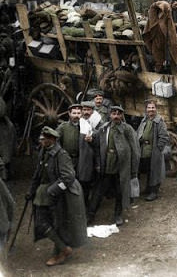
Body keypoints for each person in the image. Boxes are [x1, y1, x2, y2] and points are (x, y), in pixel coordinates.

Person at [26, 126, 88, 266]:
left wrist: (52, 191)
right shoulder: (44, 151)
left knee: (58, 224)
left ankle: (60, 252)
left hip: (61, 194)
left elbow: (68, 177)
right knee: (42, 222)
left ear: (52, 140)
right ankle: (64, 248)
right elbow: (38, 174)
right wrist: (31, 190)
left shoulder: (61, 154)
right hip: (44, 193)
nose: (42, 141)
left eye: (45, 139)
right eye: (42, 138)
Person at [88, 105, 140, 226]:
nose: (116, 116)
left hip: (120, 167)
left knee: (120, 192)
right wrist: (90, 139)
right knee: (98, 192)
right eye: (113, 114)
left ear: (122, 115)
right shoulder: (104, 128)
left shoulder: (127, 129)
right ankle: (90, 215)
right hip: (107, 166)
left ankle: (118, 215)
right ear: (110, 115)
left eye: (118, 114)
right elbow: (96, 141)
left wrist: (133, 170)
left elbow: (135, 150)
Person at [136, 100, 169, 202]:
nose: (151, 110)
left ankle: (154, 191)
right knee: (148, 169)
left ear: (156, 109)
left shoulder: (159, 121)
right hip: (144, 149)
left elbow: (164, 137)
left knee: (155, 170)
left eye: (153, 108)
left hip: (154, 150)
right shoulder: (144, 120)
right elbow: (139, 132)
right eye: (149, 108)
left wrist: (158, 148)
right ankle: (148, 189)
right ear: (146, 109)